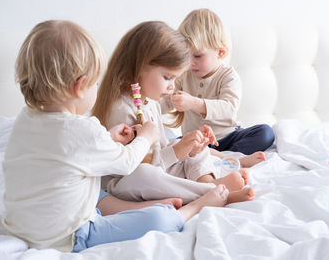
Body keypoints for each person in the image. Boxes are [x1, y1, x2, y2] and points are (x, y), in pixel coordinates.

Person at [1, 20, 230, 253]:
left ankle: (141, 204)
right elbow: (128, 162)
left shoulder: (24, 120)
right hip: (70, 236)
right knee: (159, 221)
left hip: (19, 228)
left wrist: (108, 138)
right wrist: (146, 137)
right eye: (95, 83)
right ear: (80, 86)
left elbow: (68, 155)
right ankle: (194, 207)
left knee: (92, 187)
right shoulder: (82, 129)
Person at [92, 21, 254, 205]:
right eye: (167, 77)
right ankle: (213, 193)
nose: (172, 86)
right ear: (139, 67)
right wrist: (176, 151)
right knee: (146, 175)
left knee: (191, 144)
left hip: (160, 167)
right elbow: (132, 166)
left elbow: (161, 150)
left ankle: (208, 182)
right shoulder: (121, 109)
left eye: (175, 79)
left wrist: (189, 146)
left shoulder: (150, 100)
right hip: (127, 182)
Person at [162, 8, 275, 167]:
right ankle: (225, 159)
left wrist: (194, 103)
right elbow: (164, 100)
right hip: (197, 140)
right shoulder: (184, 75)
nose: (191, 62)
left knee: (266, 133)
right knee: (172, 145)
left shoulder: (228, 76)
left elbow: (229, 108)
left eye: (198, 56)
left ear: (220, 52)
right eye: (186, 55)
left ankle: (220, 157)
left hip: (228, 137)